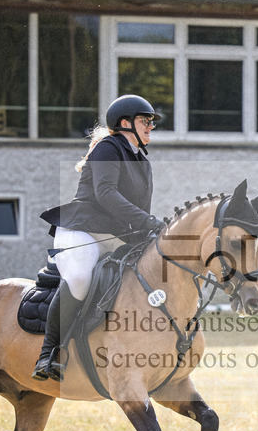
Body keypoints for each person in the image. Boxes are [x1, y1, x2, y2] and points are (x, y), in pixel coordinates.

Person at [33, 94, 165, 382]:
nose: (150, 127)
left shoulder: (142, 162)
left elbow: (141, 210)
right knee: (80, 278)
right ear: (125, 123)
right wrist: (146, 221)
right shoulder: (108, 148)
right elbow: (106, 193)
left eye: (151, 123)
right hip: (82, 229)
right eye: (145, 121)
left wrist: (150, 233)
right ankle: (48, 353)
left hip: (116, 235)